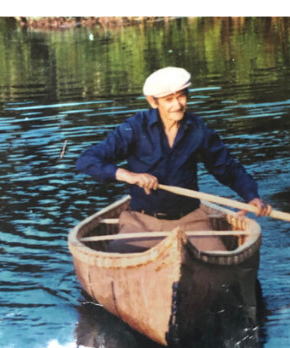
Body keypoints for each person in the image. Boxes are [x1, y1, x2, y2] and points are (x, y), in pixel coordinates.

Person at [76, 67, 271, 252]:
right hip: (142, 220)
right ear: (153, 102)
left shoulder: (198, 129)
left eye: (181, 96)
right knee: (116, 262)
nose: (177, 105)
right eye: (168, 99)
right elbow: (87, 160)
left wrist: (251, 196)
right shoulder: (135, 128)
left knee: (222, 259)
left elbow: (226, 167)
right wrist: (128, 175)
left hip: (191, 219)